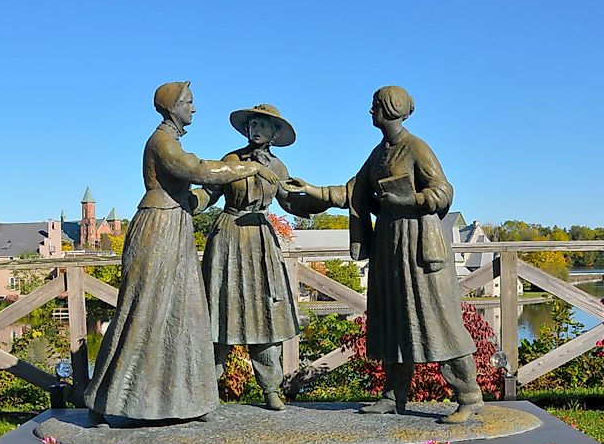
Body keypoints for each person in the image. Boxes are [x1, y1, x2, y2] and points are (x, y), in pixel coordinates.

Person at [283, 86, 484, 424]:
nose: (370, 111)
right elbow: (352, 191)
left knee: (438, 320)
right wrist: (312, 190)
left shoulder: (416, 147)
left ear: (390, 109)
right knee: (393, 319)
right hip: (389, 246)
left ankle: (469, 395)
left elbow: (444, 193)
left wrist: (409, 201)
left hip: (420, 247)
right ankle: (394, 395)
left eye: (374, 105)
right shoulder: (378, 154)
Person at [84, 82, 276, 422]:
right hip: (158, 229)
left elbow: (197, 190)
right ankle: (111, 399)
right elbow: (198, 170)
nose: (194, 108)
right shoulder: (163, 143)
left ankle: (187, 400)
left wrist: (200, 198)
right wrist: (250, 167)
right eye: (189, 102)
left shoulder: (170, 141)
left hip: (175, 224)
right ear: (173, 107)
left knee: (184, 312)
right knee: (145, 309)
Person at [196, 104, 305, 411]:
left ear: (275, 132)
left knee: (266, 313)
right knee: (218, 312)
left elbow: (291, 202)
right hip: (228, 237)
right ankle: (207, 389)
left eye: (263, 125)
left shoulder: (279, 168)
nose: (255, 129)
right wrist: (186, 202)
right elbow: (209, 191)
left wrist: (316, 200)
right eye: (252, 124)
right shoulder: (231, 160)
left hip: (259, 240)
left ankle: (270, 387)